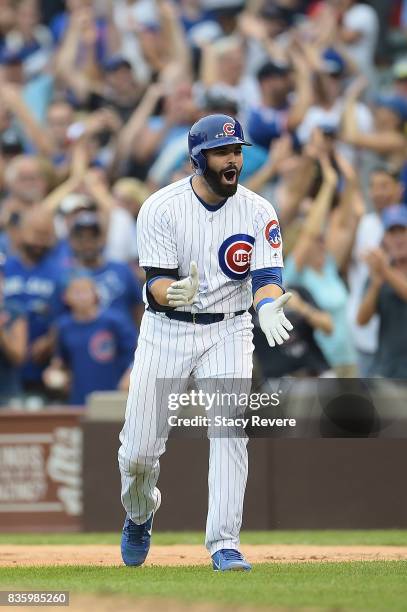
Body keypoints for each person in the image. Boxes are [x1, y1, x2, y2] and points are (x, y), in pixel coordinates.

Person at [118, 114, 293, 572]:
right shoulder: (160, 207)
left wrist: (268, 305)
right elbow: (156, 280)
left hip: (230, 327)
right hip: (167, 328)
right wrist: (170, 291)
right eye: (222, 152)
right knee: (138, 453)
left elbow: (268, 278)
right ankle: (140, 513)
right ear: (198, 158)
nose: (233, 159)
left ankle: (224, 542)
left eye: (237, 151)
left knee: (230, 427)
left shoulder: (258, 210)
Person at [43, 274, 136, 406]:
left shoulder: (115, 321)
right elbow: (61, 361)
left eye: (85, 291)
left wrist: (130, 376)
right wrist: (54, 373)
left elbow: (138, 354)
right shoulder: (63, 326)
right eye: (76, 292)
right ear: (65, 297)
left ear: (96, 294)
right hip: (79, 398)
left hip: (115, 397)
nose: (81, 297)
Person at [357, 205, 407, 377]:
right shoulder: (380, 272)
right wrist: (376, 284)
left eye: (402, 231)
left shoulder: (384, 269)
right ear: (385, 238)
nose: (398, 238)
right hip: (389, 369)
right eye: (392, 233)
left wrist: (384, 271)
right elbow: (362, 320)